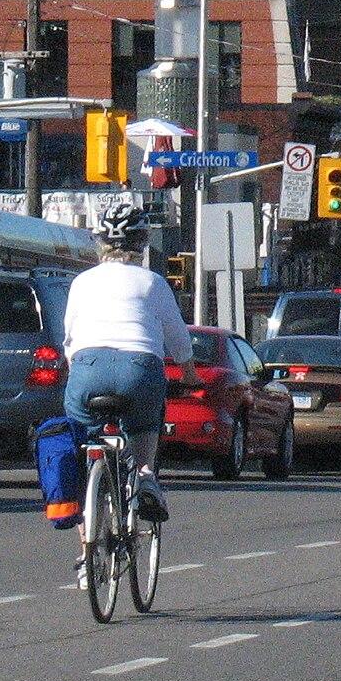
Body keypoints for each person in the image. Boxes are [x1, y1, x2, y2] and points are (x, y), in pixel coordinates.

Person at [63, 204, 197, 576]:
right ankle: (146, 476)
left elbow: (70, 338)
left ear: (100, 243)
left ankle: (87, 549)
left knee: (79, 446)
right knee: (145, 422)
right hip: (139, 368)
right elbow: (178, 339)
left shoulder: (82, 282)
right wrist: (188, 373)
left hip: (88, 368)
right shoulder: (153, 283)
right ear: (142, 245)